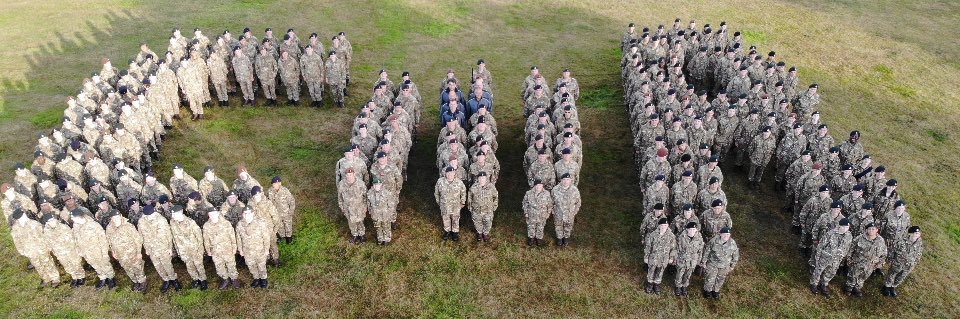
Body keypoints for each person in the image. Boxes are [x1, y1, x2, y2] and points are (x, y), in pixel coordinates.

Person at [9, 209, 61, 288]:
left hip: (42, 249)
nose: (24, 217)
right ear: (18, 218)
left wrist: (48, 246)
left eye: (23, 215)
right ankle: (45, 278)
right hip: (30, 252)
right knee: (38, 265)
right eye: (22, 216)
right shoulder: (15, 229)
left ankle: (55, 278)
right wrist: (23, 252)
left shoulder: (35, 224)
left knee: (47, 263)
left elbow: (44, 236)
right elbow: (17, 242)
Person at [138, 205, 181, 292]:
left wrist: (170, 248)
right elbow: (141, 236)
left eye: (152, 214)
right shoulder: (141, 222)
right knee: (158, 266)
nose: (151, 217)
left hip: (163, 248)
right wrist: (146, 248)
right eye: (148, 216)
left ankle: (174, 280)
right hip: (151, 249)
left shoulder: (161, 220)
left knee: (167, 265)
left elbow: (168, 234)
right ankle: (166, 280)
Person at [71, 209, 117, 290]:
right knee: (96, 266)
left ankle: (111, 279)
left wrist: (104, 252)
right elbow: (75, 238)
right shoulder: (75, 226)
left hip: (98, 251)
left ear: (79, 217)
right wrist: (79, 250)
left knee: (105, 265)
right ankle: (103, 278)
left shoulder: (93, 225)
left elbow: (103, 238)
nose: (72, 219)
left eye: (73, 217)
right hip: (87, 252)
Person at [104, 211, 147, 292]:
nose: (116, 219)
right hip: (121, 255)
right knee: (128, 268)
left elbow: (137, 239)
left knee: (137, 267)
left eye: (117, 217)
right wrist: (113, 251)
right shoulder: (109, 228)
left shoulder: (128, 226)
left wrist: (138, 252)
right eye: (114, 218)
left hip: (132, 253)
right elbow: (109, 241)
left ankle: (142, 282)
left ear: (120, 216)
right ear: (111, 219)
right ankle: (135, 282)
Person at [809, 218, 852, 296]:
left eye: (847, 227)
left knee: (830, 272)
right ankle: (814, 284)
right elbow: (821, 245)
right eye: (844, 227)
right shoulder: (831, 233)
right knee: (818, 271)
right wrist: (818, 257)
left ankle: (824, 284)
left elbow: (847, 247)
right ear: (839, 226)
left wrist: (842, 257)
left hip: (837, 259)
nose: (845, 229)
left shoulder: (849, 236)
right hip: (825, 257)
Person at [170, 206, 208, 290]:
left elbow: (199, 237)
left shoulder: (190, 222)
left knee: (199, 265)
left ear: (180, 213)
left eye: (174, 214)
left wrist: (200, 249)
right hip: (184, 250)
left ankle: (203, 280)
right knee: (189, 266)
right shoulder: (173, 223)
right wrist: (179, 251)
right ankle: (195, 279)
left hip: (195, 249)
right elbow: (174, 238)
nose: (172, 216)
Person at [203, 208, 241, 289]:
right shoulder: (206, 226)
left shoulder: (226, 223)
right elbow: (206, 239)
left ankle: (234, 279)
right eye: (210, 214)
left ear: (218, 213)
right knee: (219, 266)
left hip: (227, 249)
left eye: (214, 213)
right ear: (208, 215)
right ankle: (225, 279)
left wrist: (234, 247)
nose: (212, 216)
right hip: (215, 251)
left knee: (231, 265)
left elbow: (232, 236)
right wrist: (208, 250)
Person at [845, 223, 886, 297]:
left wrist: (879, 264)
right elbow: (851, 248)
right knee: (852, 275)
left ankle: (857, 288)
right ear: (866, 230)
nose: (871, 231)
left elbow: (884, 254)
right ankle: (849, 287)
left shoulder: (881, 241)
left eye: (873, 229)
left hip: (870, 265)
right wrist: (848, 259)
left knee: (863, 277)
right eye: (869, 229)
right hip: (857, 262)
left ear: (877, 230)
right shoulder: (860, 238)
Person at [237, 206, 271, 288]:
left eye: (249, 213)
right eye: (245, 213)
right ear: (242, 214)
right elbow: (238, 238)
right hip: (247, 251)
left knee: (261, 266)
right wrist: (240, 250)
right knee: (251, 266)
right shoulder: (239, 224)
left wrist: (266, 249)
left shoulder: (261, 223)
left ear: (253, 213)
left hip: (260, 250)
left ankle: (263, 279)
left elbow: (266, 237)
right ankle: (256, 279)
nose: (247, 215)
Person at [884, 226, 922, 297]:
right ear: (910, 234)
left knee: (901, 277)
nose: (917, 235)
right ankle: (887, 286)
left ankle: (893, 286)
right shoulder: (901, 241)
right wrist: (891, 259)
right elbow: (892, 251)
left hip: (909, 265)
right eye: (915, 233)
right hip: (897, 263)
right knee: (891, 275)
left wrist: (914, 263)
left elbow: (919, 254)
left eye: (918, 233)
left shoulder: (919, 243)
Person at [701, 227, 739, 299]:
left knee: (720, 279)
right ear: (720, 234)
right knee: (710, 278)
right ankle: (707, 291)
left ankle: (715, 291)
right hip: (713, 264)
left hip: (725, 265)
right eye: (724, 234)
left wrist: (732, 266)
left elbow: (735, 255)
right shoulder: (714, 241)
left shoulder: (732, 243)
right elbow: (707, 251)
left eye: (728, 234)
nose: (726, 236)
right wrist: (704, 261)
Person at [644, 218, 677, 294]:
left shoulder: (671, 236)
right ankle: (649, 284)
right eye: (662, 225)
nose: (663, 227)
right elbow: (648, 246)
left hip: (664, 259)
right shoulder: (653, 234)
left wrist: (671, 257)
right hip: (653, 257)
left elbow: (673, 248)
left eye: (665, 225)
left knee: (660, 271)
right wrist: (646, 257)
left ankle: (657, 284)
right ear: (659, 226)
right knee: (651, 271)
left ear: (668, 225)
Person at [435, 166, 467, 241]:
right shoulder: (440, 181)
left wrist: (462, 202)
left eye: (452, 173)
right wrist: (439, 202)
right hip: (444, 205)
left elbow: (463, 192)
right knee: (445, 218)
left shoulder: (459, 182)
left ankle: (455, 232)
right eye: (448, 173)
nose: (450, 174)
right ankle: (447, 231)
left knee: (455, 219)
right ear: (445, 173)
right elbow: (436, 192)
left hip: (455, 206)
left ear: (454, 173)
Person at [338, 169, 368, 243]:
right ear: (345, 175)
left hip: (359, 207)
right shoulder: (342, 184)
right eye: (347, 175)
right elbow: (340, 197)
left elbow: (365, 196)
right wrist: (342, 207)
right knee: (351, 223)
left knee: (360, 221)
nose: (349, 176)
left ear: (354, 174)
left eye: (351, 174)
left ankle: (362, 235)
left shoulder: (360, 183)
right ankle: (354, 235)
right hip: (348, 208)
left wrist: (365, 206)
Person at [674, 222, 704, 296]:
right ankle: (678, 287)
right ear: (687, 229)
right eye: (690, 229)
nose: (692, 231)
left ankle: (684, 286)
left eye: (694, 229)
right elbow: (677, 249)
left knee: (688, 274)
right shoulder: (682, 237)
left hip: (692, 261)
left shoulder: (699, 238)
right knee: (680, 274)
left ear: (696, 230)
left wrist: (699, 260)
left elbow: (700, 250)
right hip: (682, 260)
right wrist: (675, 259)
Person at [468, 172, 499, 242]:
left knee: (488, 222)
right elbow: (470, 198)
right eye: (480, 178)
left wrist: (494, 206)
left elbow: (495, 197)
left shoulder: (491, 187)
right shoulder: (473, 187)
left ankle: (485, 234)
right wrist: (470, 208)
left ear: (486, 178)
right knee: (477, 222)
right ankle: (479, 233)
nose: (482, 179)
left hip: (488, 211)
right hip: (476, 210)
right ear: (478, 178)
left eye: (483, 178)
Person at [552, 173, 581, 246]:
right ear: (561, 180)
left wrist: (574, 212)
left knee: (568, 226)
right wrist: (553, 211)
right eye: (564, 179)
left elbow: (578, 202)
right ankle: (559, 238)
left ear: (571, 180)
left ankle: (566, 237)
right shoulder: (555, 189)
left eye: (567, 180)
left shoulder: (574, 190)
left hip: (569, 213)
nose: (566, 181)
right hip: (558, 213)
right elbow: (551, 202)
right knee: (558, 226)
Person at [523, 179, 553, 246]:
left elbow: (550, 204)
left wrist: (548, 213)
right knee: (531, 226)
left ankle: (539, 239)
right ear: (535, 185)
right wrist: (526, 213)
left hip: (542, 214)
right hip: (531, 214)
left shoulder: (547, 194)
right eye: (537, 185)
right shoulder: (529, 193)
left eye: (540, 185)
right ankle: (531, 238)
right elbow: (525, 203)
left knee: (540, 227)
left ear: (542, 186)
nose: (538, 186)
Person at [367, 178, 398, 245]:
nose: (377, 186)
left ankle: (387, 239)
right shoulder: (370, 193)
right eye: (375, 185)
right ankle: (380, 239)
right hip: (375, 215)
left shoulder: (386, 193)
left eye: (378, 185)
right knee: (378, 228)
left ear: (381, 185)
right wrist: (371, 212)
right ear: (373, 185)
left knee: (386, 227)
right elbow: (368, 204)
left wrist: (389, 214)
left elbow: (391, 205)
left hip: (385, 214)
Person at [267, 176, 296, 244]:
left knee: (288, 226)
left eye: (277, 183)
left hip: (286, 213)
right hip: (276, 214)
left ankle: (289, 240)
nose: (275, 185)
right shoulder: (270, 191)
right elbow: (269, 202)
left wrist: (291, 212)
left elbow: (292, 201)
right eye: (274, 183)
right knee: (279, 226)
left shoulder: (285, 191)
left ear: (280, 183)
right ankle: (282, 238)